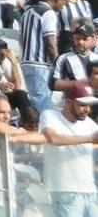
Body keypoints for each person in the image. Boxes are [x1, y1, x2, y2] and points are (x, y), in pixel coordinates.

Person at [40, 81, 98, 216]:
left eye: (89, 106)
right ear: (68, 102)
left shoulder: (89, 123)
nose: (87, 110)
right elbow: (53, 139)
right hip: (64, 190)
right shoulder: (50, 115)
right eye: (83, 105)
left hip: (90, 190)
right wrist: (90, 139)